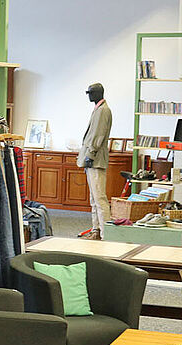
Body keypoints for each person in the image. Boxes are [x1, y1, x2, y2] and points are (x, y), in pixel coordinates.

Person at [77, 83, 113, 240]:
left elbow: (98, 135)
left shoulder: (103, 110)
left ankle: (106, 235)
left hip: (95, 159)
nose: (89, 96)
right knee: (94, 199)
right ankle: (96, 230)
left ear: (98, 93)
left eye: (91, 93)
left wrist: (90, 155)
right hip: (92, 158)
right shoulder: (98, 109)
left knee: (99, 198)